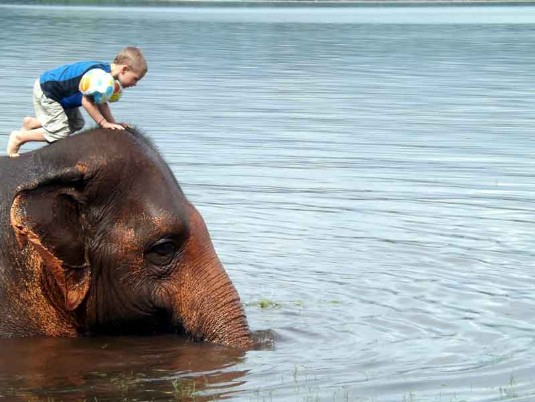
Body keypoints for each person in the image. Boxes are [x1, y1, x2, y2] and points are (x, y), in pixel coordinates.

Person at [6, 46, 147, 157]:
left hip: (63, 96)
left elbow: (102, 102)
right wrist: (103, 123)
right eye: (135, 78)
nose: (135, 84)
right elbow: (87, 102)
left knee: (77, 124)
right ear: (124, 69)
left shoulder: (107, 79)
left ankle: (32, 123)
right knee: (60, 133)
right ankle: (20, 137)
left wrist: (113, 123)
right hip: (49, 91)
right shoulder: (99, 77)